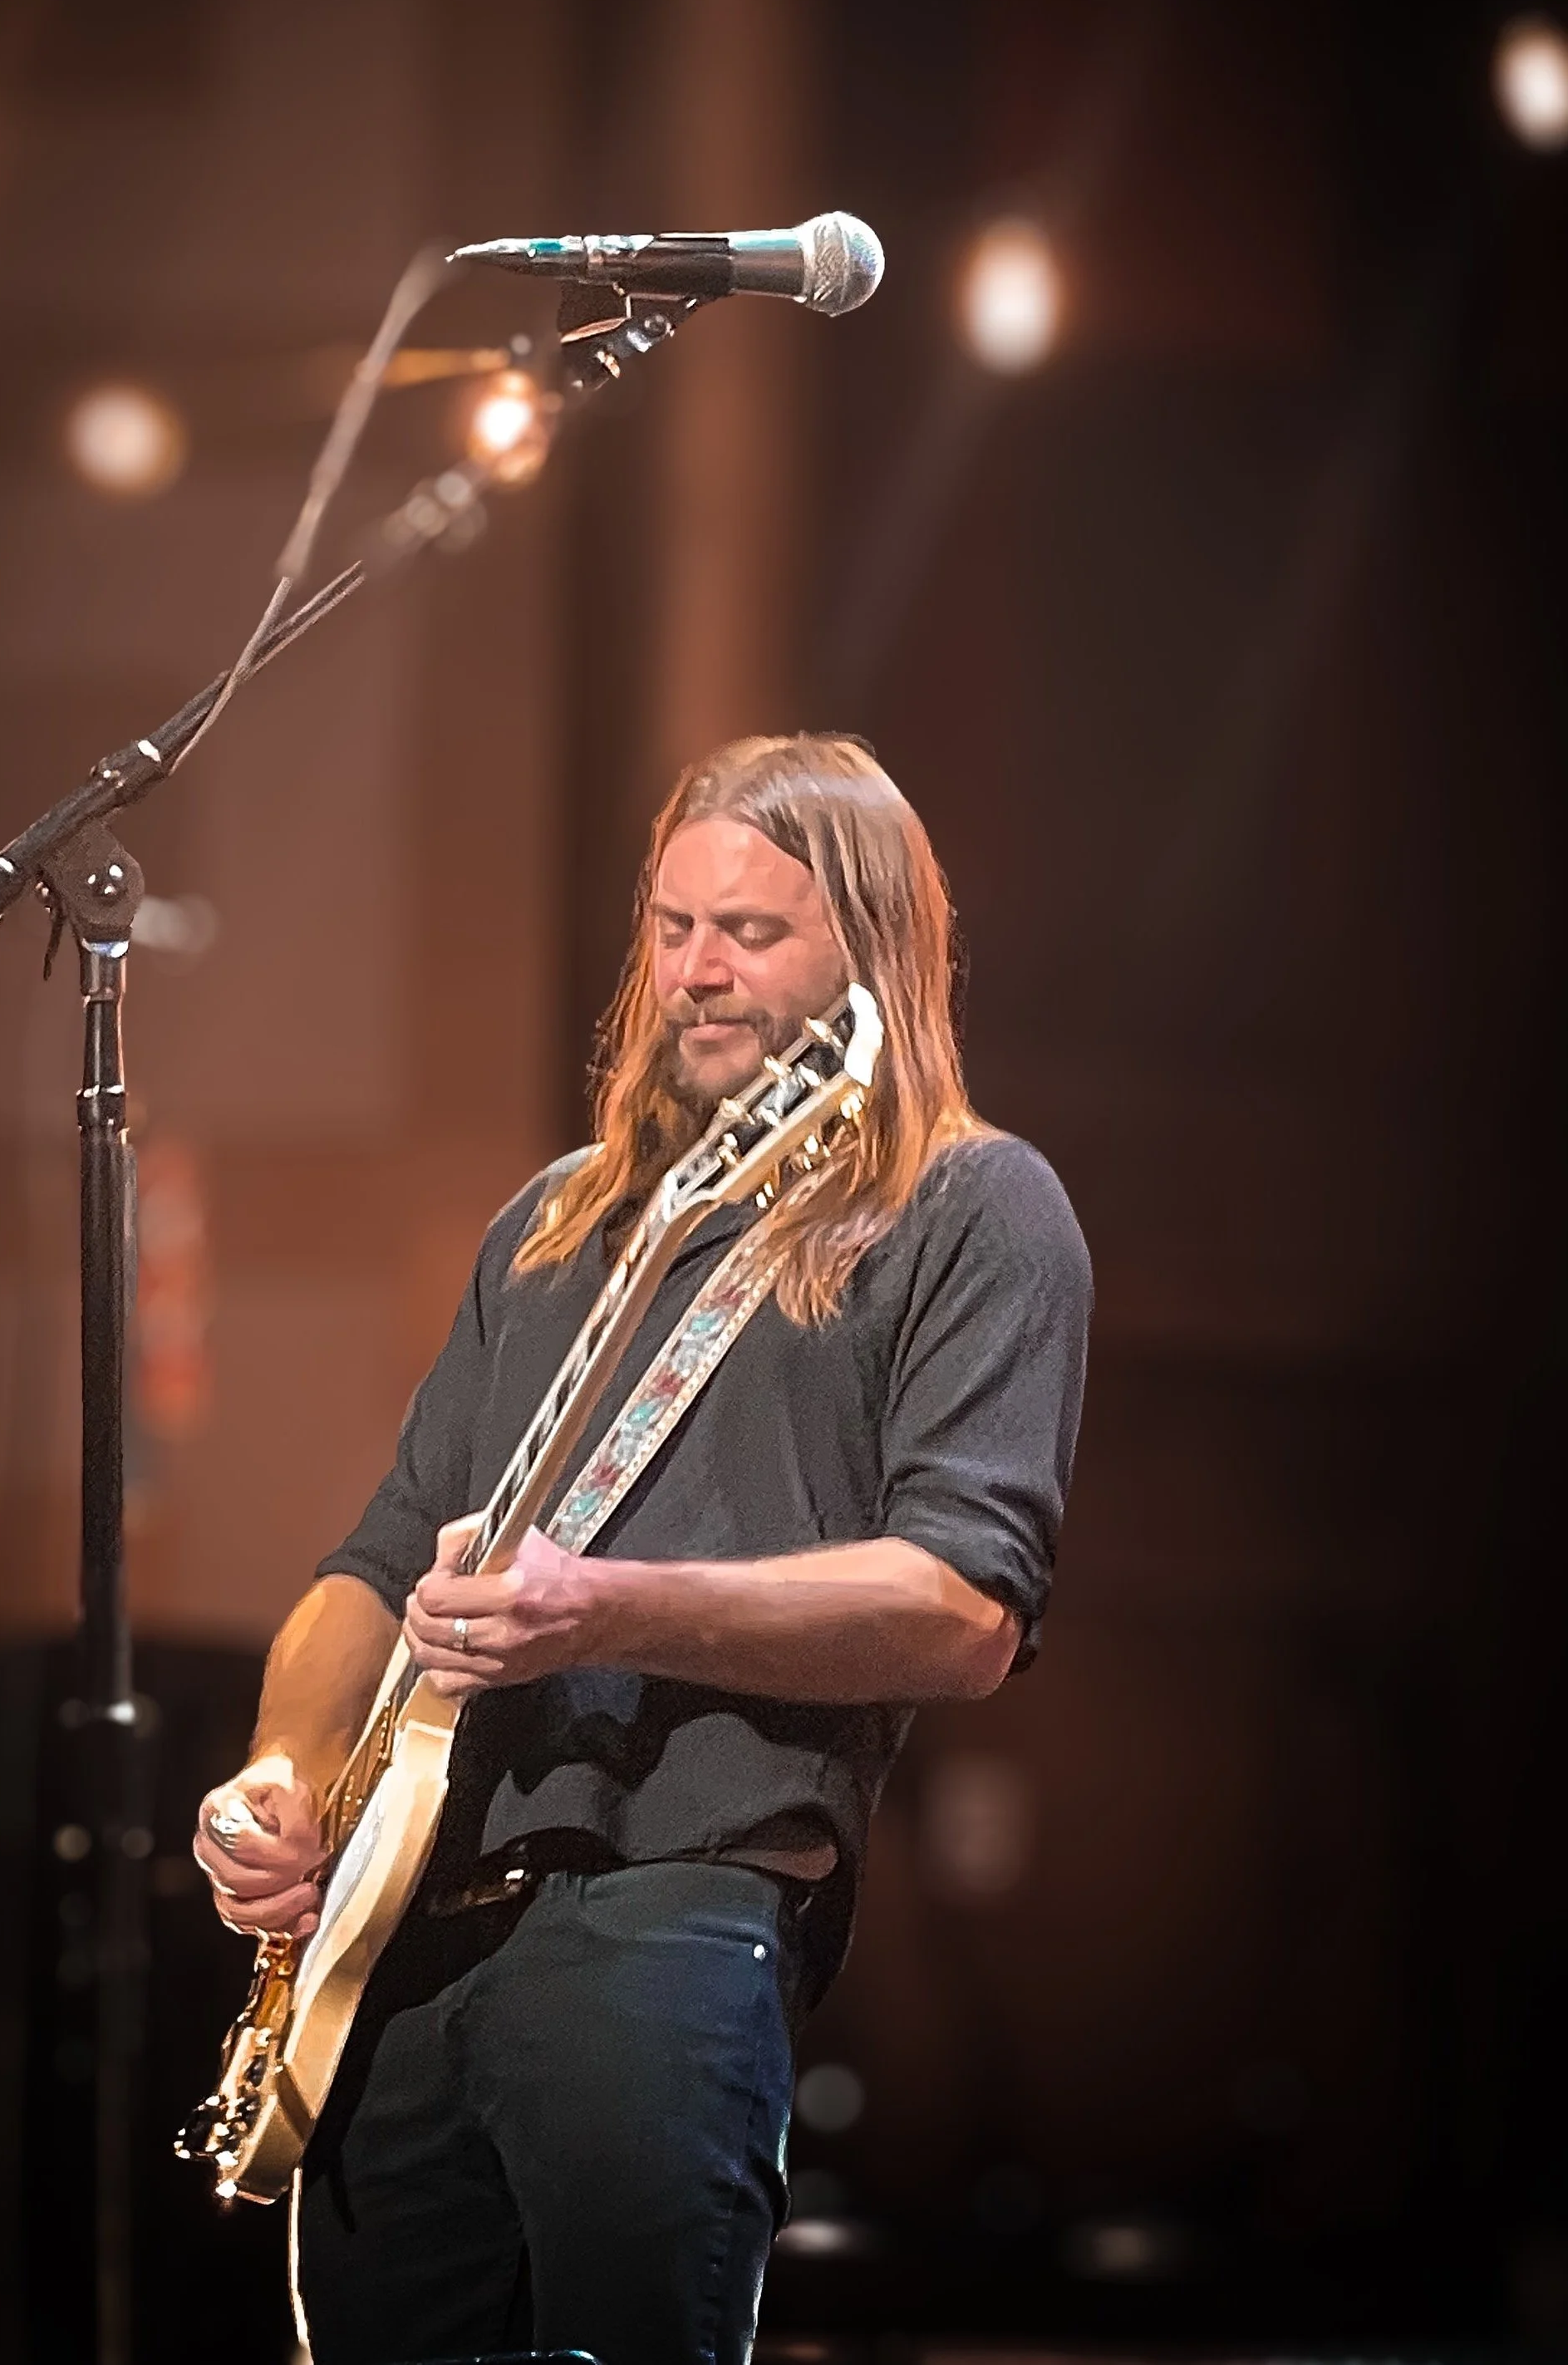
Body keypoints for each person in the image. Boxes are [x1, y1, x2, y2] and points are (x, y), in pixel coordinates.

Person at [194, 733, 1090, 2365]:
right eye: (671, 927)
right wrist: (276, 1770)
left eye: (750, 932)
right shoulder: (553, 1229)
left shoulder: (973, 1208)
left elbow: (962, 1605)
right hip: (394, 1949)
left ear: (872, 949)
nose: (696, 970)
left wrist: (597, 1608)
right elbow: (379, 1562)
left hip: (665, 1920)